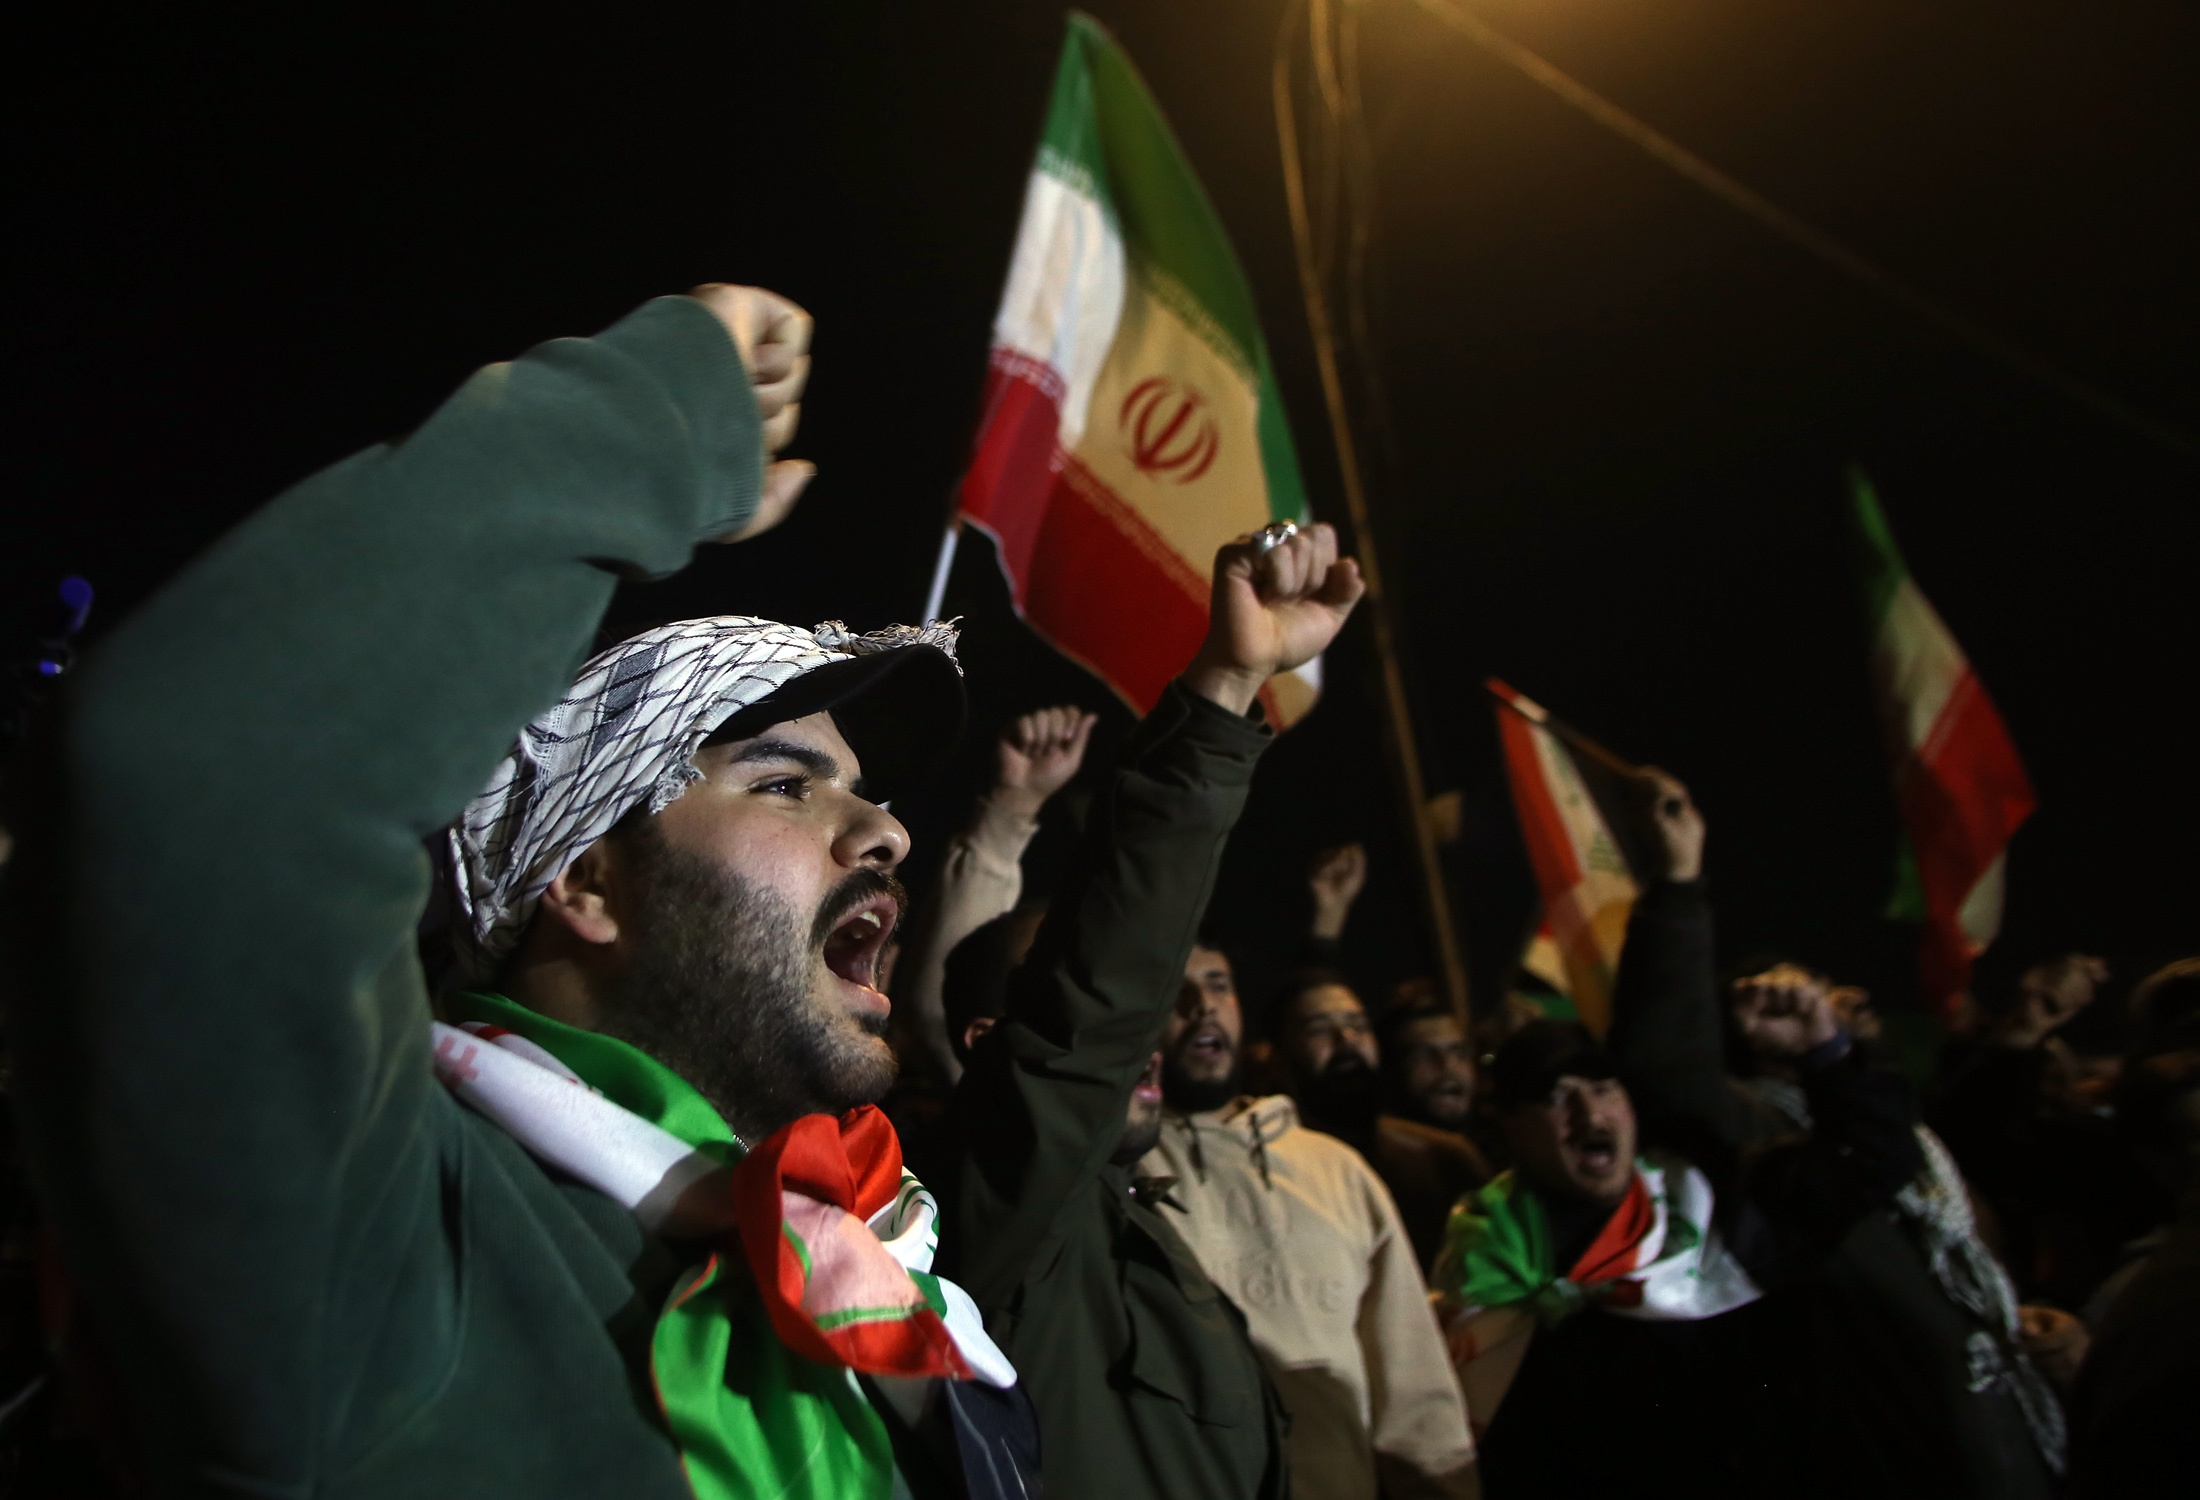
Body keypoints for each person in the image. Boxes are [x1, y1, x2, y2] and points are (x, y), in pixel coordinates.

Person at [9, 284, 1037, 1499]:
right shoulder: (384, 1230)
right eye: (783, 786)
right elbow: (192, 784)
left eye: (865, 795)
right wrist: (639, 423)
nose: (887, 834)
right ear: (582, 878)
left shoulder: (895, 1300)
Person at [913, 522, 1372, 1500]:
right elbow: (1094, 999)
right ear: (992, 1046)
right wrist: (1225, 687)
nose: (1149, 1035)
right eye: (1123, 1016)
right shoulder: (997, 1226)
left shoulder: (1144, 1233)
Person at [1439, 770, 1923, 1498]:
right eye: (1557, 1097)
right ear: (1507, 1123)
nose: (1591, 1115)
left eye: (1604, 1089)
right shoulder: (1479, 1261)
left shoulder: (1713, 1201)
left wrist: (1826, 1054)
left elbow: (1877, 1158)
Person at [1138, 947, 1480, 1499]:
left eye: (1219, 984)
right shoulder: (1118, 1171)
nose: (1202, 1005)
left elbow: (1415, 1394)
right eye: (1174, 987)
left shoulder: (1338, 1170)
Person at [898, 706, 1096, 1086]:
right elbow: (942, 1005)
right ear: (983, 1037)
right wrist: (1014, 804)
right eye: (1052, 967)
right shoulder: (1011, 1106)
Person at [1275, 971, 1492, 1274]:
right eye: (1319, 1030)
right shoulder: (1269, 1169)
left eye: (1358, 1026)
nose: (1346, 1041)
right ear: (1278, 1054)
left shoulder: (1445, 1160)